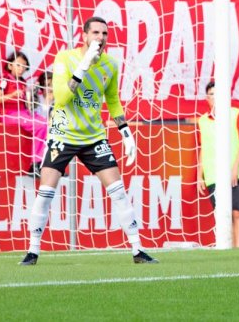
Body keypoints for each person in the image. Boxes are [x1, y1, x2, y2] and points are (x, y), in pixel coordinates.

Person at [20, 16, 156, 266]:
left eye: (104, 33)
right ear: (84, 35)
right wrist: (83, 65)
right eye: (95, 32)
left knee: (118, 190)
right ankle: (33, 251)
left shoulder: (110, 65)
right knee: (46, 191)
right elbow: (60, 98)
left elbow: (112, 100)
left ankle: (138, 250)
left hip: (93, 137)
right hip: (63, 134)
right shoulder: (65, 58)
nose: (101, 38)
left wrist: (126, 132)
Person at [197, 81, 239, 248]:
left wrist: (234, 167)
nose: (215, 97)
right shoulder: (203, 121)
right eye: (211, 94)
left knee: (238, 212)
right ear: (207, 98)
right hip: (214, 175)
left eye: (217, 93)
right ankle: (227, 250)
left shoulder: (235, 114)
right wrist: (200, 175)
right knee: (222, 216)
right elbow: (203, 148)